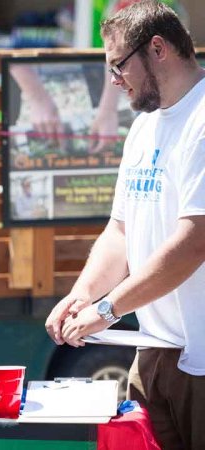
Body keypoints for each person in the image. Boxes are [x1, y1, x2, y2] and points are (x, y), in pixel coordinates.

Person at [45, 2, 205, 449]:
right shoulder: (144, 126)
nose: (115, 82)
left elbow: (195, 241)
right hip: (154, 349)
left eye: (118, 66)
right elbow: (120, 231)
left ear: (158, 48)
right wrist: (83, 295)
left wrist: (108, 309)